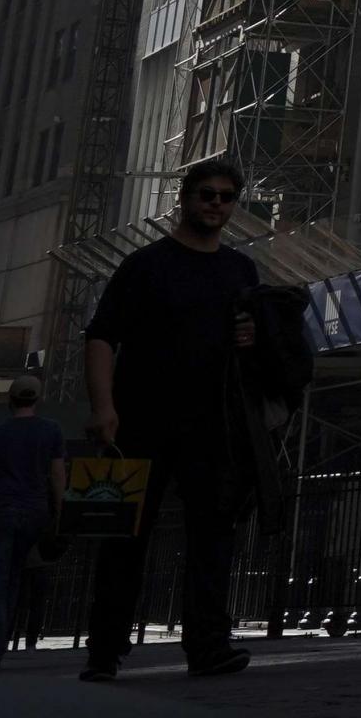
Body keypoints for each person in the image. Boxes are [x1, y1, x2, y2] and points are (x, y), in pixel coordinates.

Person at [81, 158, 264, 681]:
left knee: (213, 537)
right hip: (141, 419)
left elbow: (250, 341)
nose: (216, 203)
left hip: (212, 424)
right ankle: (104, 651)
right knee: (126, 538)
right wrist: (104, 407)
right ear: (185, 198)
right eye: (206, 193)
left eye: (227, 196)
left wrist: (251, 339)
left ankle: (207, 646)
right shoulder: (146, 265)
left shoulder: (240, 270)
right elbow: (100, 335)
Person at [0, 378, 65, 666]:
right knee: (14, 575)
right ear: (37, 399)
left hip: (1, 509)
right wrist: (59, 512)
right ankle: (1, 641)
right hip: (35, 510)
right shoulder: (51, 431)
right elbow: (58, 476)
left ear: (10, 399)